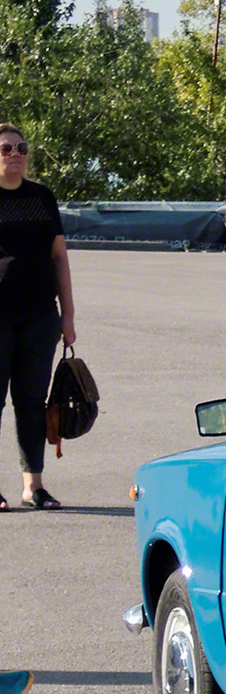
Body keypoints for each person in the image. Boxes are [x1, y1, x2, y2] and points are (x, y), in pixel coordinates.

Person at [0, 122, 75, 510]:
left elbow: (59, 256)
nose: (15, 155)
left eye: (21, 148)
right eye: (6, 149)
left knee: (31, 401)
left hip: (40, 316)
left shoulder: (42, 198)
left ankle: (34, 487)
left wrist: (69, 317)